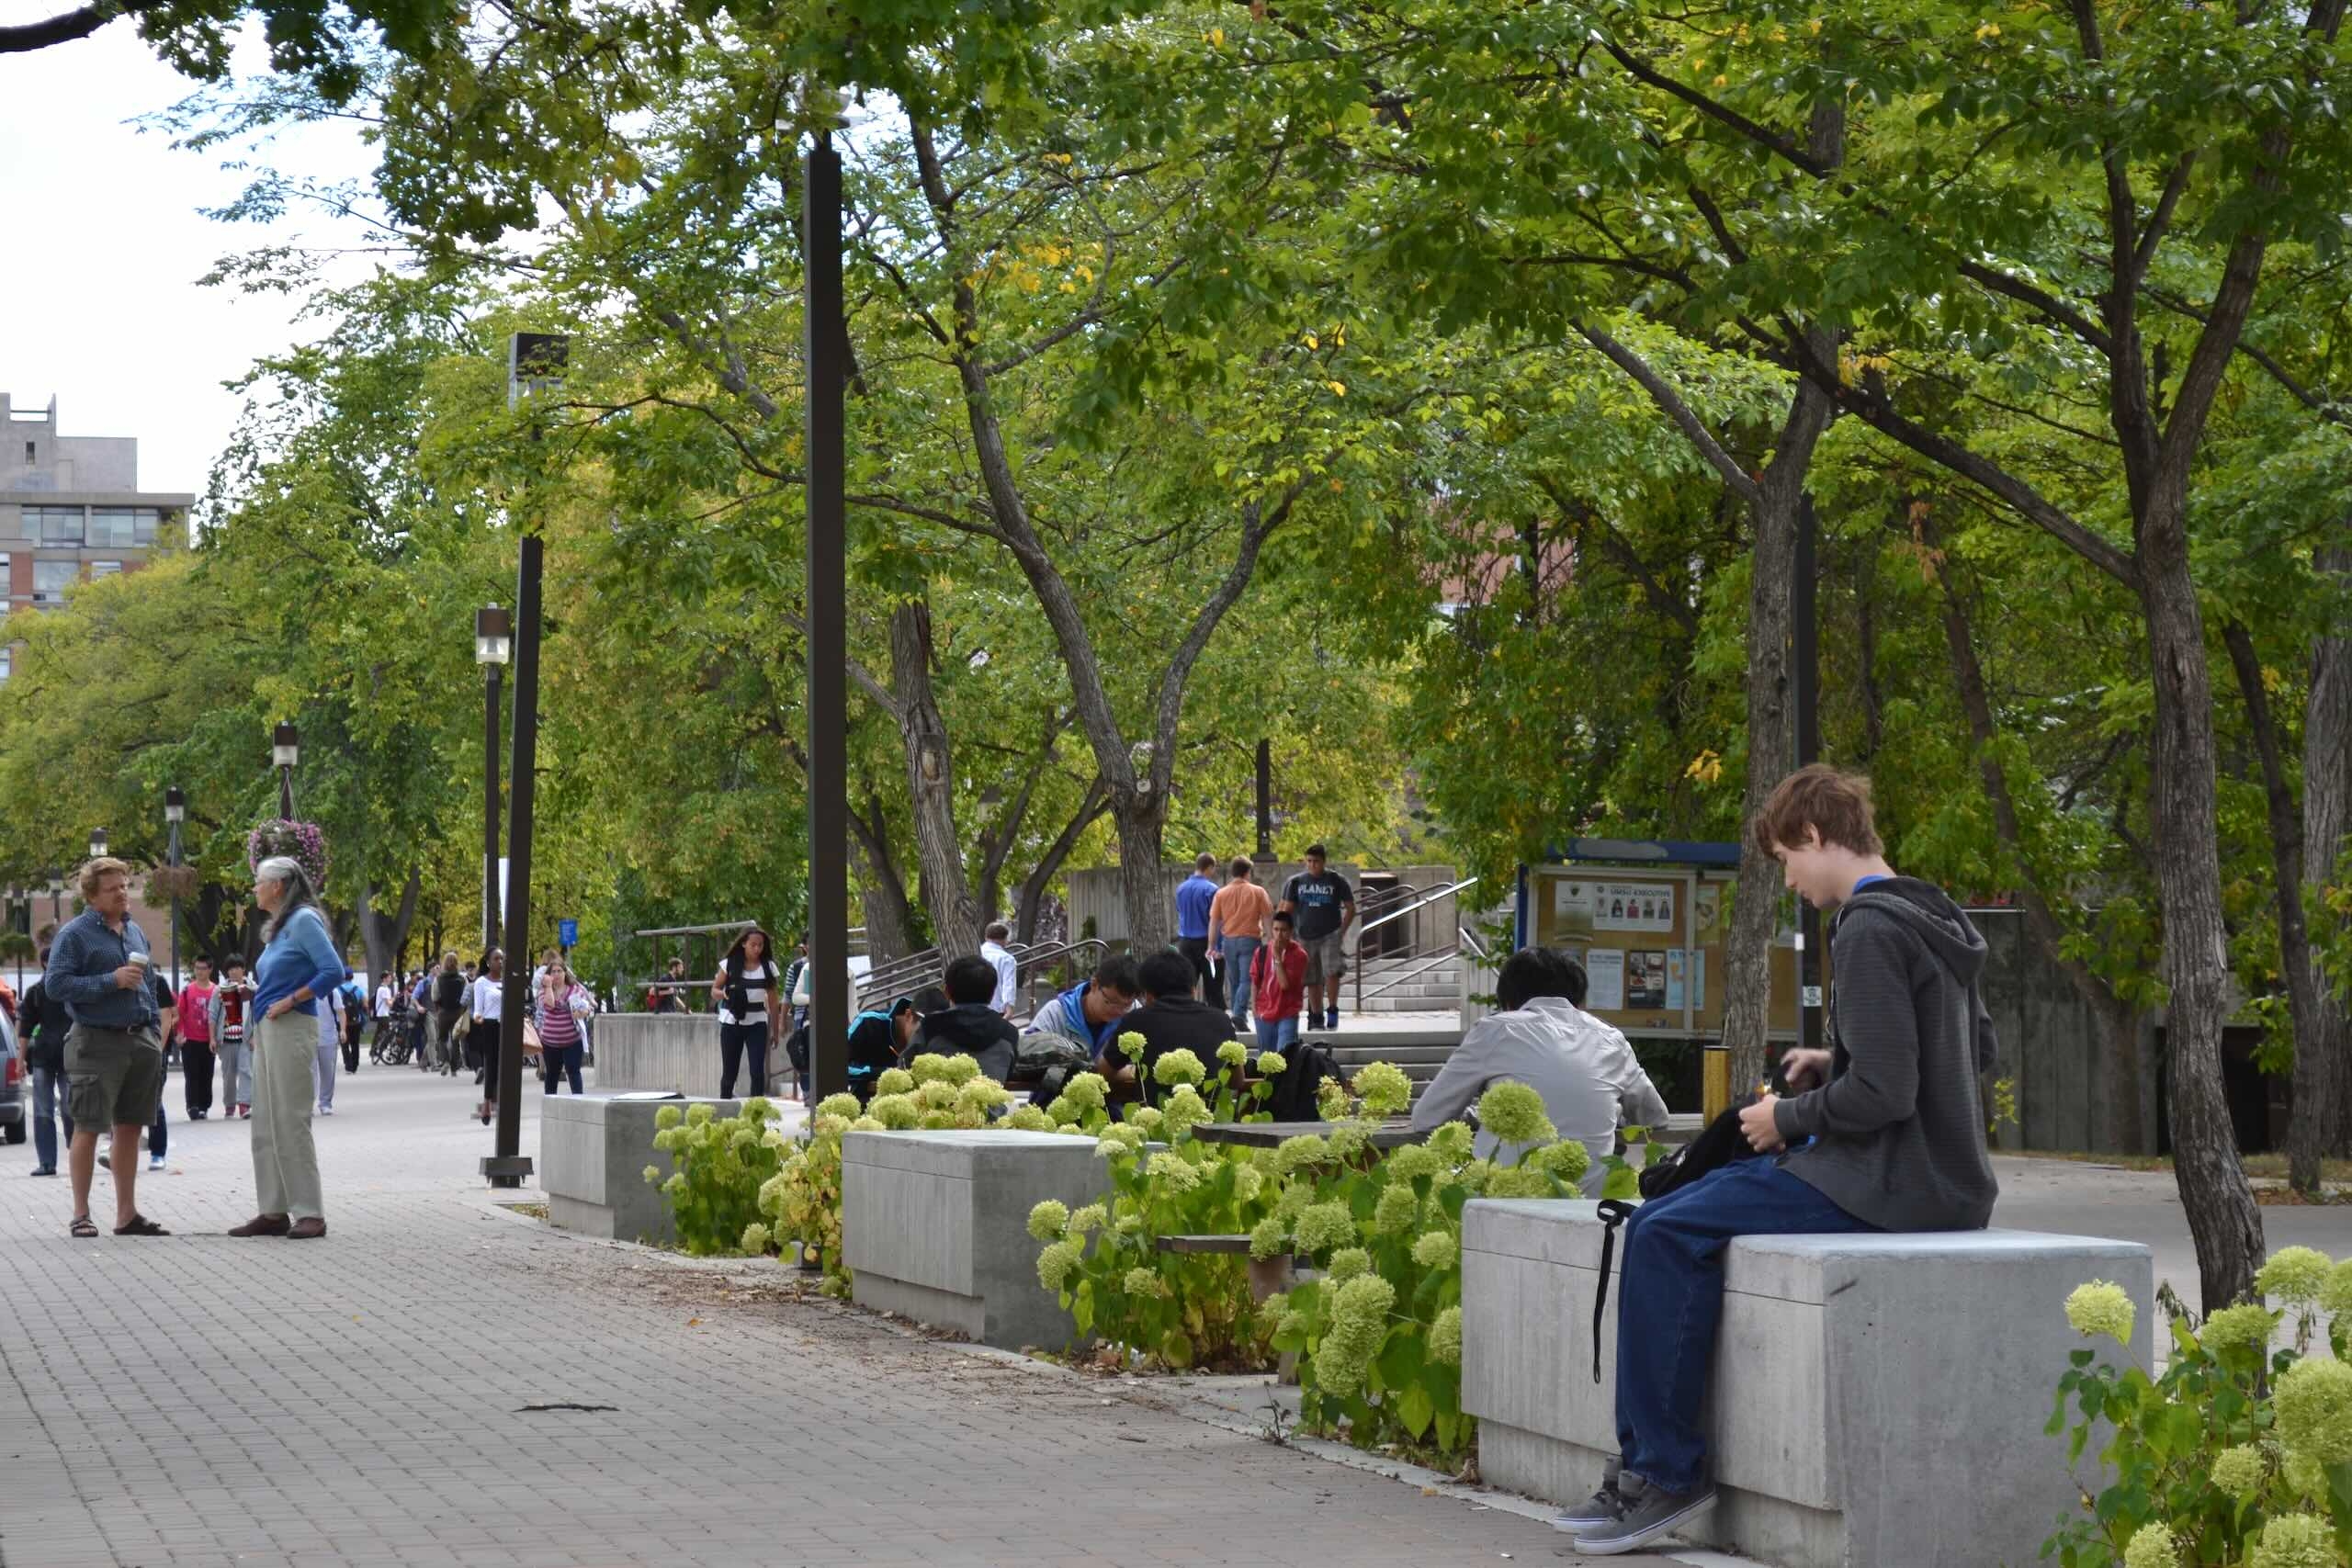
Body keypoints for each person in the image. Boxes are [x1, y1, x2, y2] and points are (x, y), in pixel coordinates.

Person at [1562, 767, 1997, 1554]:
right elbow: (1975, 1051)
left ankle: (1663, 1472)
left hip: (1883, 1183)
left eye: (1786, 860)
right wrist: (1839, 1059)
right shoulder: (1934, 913)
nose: (1790, 878)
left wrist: (1783, 1116)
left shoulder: (1867, 927)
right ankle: (1639, 1468)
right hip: (1947, 1178)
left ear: (1815, 837)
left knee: (1662, 1228)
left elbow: (1891, 1093)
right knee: (1668, 1214)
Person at [1410, 947, 1668, 1187]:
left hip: (1503, 1206)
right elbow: (1655, 1117)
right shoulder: (1610, 1039)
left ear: (1509, 1004)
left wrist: (1479, 1115)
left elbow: (1426, 1118)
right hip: (1589, 1212)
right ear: (1578, 1003)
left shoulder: (1497, 1030)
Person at [45, 856, 169, 1238]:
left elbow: (148, 983)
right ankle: (81, 1213)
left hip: (138, 1041)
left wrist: (151, 1030)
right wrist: (110, 981)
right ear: (92, 895)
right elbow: (56, 985)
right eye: (114, 888)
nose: (123, 893)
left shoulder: (133, 932)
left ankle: (126, 1214)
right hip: (95, 1043)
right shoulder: (75, 935)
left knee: (130, 1127)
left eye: (125, 885)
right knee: (88, 1127)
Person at [231, 856, 342, 1240]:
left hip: (292, 1026)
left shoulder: (303, 920)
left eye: (259, 881)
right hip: (271, 1026)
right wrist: (259, 996)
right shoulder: (281, 928)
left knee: (291, 1119)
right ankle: (273, 1209)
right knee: (264, 1120)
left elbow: (333, 970)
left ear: (278, 885)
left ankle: (310, 1211)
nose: (255, 888)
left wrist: (292, 999)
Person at [1103, 949, 1237, 1100]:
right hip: (1212, 1120)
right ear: (1193, 990)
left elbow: (1103, 1072)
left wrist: (1132, 1071)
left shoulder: (1136, 1021)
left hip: (1155, 1120)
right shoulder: (1222, 1020)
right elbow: (1236, 1081)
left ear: (1148, 995)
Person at [1280, 845, 1354, 1032]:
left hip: (1330, 933)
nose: (1312, 865)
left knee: (1332, 971)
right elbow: (1286, 910)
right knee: (1311, 976)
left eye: (1316, 862)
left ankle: (1333, 1008)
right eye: (1309, 861)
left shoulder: (1336, 880)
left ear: (1324, 862)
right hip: (1304, 934)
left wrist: (1342, 930)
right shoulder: (1297, 882)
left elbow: (1351, 908)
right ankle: (1316, 1014)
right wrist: (1284, 935)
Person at [912, 955, 1022, 1083]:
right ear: (992, 995)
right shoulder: (1009, 1033)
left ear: (946, 992)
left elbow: (908, 1067)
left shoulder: (929, 1027)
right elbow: (1008, 1073)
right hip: (991, 1102)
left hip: (939, 1102)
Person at [1023, 953, 1142, 1062]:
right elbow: (1026, 1053)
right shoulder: (1056, 1013)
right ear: (1094, 985)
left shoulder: (1135, 1012)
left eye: (1126, 1005)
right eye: (1111, 1002)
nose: (1119, 1011)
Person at [21, 939, 74, 1176]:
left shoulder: (72, 991)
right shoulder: (35, 993)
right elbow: (24, 1029)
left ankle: (77, 1156)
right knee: (43, 1109)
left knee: (70, 1107)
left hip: (71, 1055)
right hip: (43, 1057)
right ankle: (47, 1162)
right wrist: (21, 1059)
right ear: (44, 964)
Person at [713, 926, 780, 1100]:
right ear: (744, 944)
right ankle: (725, 1107)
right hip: (731, 1022)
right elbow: (714, 990)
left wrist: (776, 1030)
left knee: (757, 1071)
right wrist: (724, 994)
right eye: (753, 945)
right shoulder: (729, 964)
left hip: (757, 1023)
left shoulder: (768, 967)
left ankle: (756, 1114)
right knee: (729, 1073)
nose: (757, 949)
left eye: (760, 945)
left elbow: (773, 1001)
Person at [1207, 858, 1272, 1032]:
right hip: (1250, 939)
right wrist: (1272, 940)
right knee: (1247, 979)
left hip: (1229, 941)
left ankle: (1238, 1017)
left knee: (1235, 981)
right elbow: (1267, 917)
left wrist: (1211, 946)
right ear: (1247, 872)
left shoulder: (1221, 893)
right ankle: (1238, 1014)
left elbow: (1214, 922)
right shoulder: (1258, 892)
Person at [1249, 910, 1309, 1055]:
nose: (1279, 934)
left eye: (1283, 930)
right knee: (1266, 1061)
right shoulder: (1261, 952)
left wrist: (1277, 957)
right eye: (1276, 929)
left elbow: (1284, 984)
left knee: (1285, 1057)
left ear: (1291, 932)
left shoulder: (1299, 955)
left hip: (1287, 1013)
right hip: (1264, 1013)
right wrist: (1254, 1008)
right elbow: (1255, 982)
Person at [845, 996, 920, 1100]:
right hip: (862, 1107)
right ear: (908, 1016)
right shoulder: (868, 1023)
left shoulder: (931, 1042)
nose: (923, 1038)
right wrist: (887, 1073)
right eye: (920, 1031)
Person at [537, 959, 594, 1094]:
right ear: (548, 975)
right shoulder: (543, 991)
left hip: (572, 1041)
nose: (556, 974)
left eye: (559, 971)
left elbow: (586, 1008)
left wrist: (582, 1013)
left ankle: (578, 1102)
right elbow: (549, 1004)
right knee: (552, 1074)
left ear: (565, 973)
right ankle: (550, 1106)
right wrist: (549, 986)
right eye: (553, 972)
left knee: (574, 1072)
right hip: (550, 1042)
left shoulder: (575, 990)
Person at [210, 959, 256, 1117]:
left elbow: (259, 1014)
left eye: (237, 968)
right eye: (230, 969)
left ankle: (244, 1105)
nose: (233, 972)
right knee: (228, 1074)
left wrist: (254, 1036)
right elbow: (212, 1014)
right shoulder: (220, 990)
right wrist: (212, 1038)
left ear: (243, 969)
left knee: (246, 1071)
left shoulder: (253, 989)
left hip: (246, 1038)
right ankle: (229, 1105)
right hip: (226, 1038)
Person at [1173, 853, 1220, 1002]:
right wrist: (1218, 945)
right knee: (1212, 984)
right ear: (1210, 867)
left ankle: (1186, 1016)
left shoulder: (1181, 888)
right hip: (1206, 941)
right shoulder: (1212, 889)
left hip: (1185, 941)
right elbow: (1216, 919)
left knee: (1187, 984)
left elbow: (1180, 911)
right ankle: (1212, 1018)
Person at [175, 958, 219, 1120]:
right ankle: (192, 1106)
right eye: (196, 968)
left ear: (210, 969)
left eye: (203, 968)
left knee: (206, 1075)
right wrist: (180, 1033)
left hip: (209, 1040)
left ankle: (204, 1106)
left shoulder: (216, 991)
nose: (199, 971)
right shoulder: (187, 990)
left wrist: (217, 1037)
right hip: (190, 1040)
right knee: (191, 1074)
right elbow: (179, 1013)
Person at [469, 950, 505, 1122]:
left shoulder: (508, 981)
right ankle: (487, 1103)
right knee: (491, 1064)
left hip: (507, 1027)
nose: (500, 961)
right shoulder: (482, 983)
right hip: (490, 1026)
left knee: (506, 1067)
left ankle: (505, 1101)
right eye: (496, 959)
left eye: (502, 958)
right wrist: (478, 1017)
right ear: (489, 962)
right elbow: (478, 1008)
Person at [431, 953, 468, 1077]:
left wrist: (439, 1007)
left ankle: (445, 1060)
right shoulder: (463, 979)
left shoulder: (438, 979)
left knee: (441, 1038)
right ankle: (454, 1068)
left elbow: (435, 996)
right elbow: (466, 996)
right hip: (458, 1012)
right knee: (456, 1040)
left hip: (443, 1011)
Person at [313, 974, 345, 1114]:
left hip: (328, 1038)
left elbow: (341, 1012)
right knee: (309, 1074)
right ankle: (308, 1104)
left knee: (328, 1073)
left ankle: (325, 1103)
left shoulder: (332, 992)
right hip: (309, 1039)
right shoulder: (305, 991)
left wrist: (343, 1030)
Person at [978, 923, 1020, 1018]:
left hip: (975, 1007)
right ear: (1005, 939)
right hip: (996, 1008)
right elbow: (1008, 984)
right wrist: (1009, 1008)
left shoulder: (976, 953)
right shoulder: (1007, 959)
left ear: (986, 937)